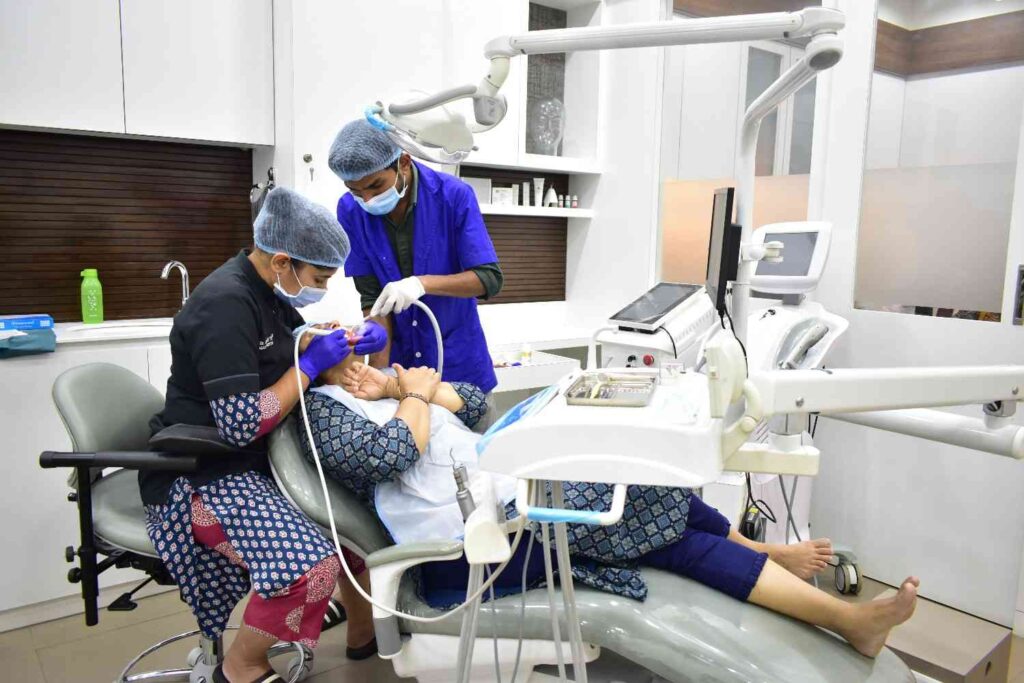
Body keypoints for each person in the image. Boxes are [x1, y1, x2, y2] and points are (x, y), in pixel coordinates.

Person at [298, 358, 920, 660]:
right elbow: (388, 454)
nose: (362, 364)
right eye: (350, 355)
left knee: (657, 487)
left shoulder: (380, 390)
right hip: (468, 557)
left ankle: (760, 553)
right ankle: (845, 620)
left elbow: (478, 404)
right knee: (656, 522)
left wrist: (409, 389)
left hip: (513, 503)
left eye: (365, 353)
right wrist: (409, 395)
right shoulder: (322, 414)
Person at [143, 187, 384, 683]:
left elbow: (286, 348)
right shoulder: (224, 305)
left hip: (259, 462)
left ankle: (364, 632)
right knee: (310, 566)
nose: (322, 287)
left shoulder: (266, 292)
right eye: (319, 278)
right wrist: (313, 366)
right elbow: (240, 423)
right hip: (201, 474)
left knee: (352, 528)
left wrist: (343, 347)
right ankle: (241, 666)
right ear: (281, 261)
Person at [327, 119, 503, 429]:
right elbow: (372, 297)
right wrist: (380, 367)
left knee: (474, 470)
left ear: (404, 162)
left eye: (375, 186)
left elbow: (488, 279)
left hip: (459, 371)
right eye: (355, 190)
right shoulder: (350, 210)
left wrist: (422, 284)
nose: (366, 200)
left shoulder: (453, 196)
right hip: (402, 380)